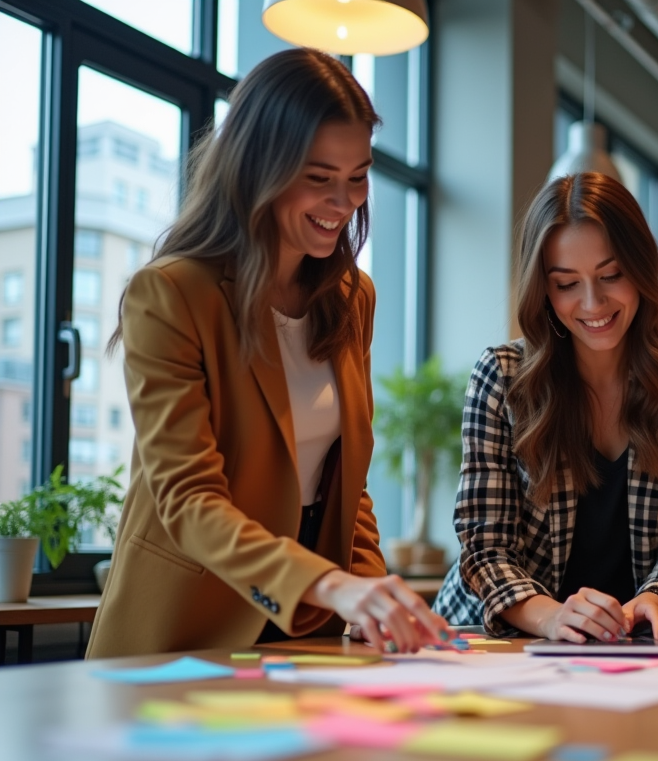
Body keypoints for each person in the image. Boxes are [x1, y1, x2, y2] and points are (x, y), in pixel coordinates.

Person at [88, 49, 450, 659]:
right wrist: (330, 584)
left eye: (358, 176)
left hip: (305, 626)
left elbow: (346, 484)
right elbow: (188, 500)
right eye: (318, 178)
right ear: (259, 167)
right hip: (184, 629)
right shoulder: (172, 294)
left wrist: (369, 594)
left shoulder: (352, 298)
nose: (344, 202)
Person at [432, 172, 658, 644]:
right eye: (567, 283)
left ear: (642, 267)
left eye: (611, 275)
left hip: (624, 639)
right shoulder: (503, 376)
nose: (593, 302)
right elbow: (485, 546)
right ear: (544, 290)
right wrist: (552, 617)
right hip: (496, 638)